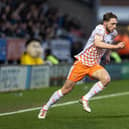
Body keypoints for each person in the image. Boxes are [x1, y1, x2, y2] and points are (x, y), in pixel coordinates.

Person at [38, 12, 125, 119]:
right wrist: (115, 47)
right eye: (112, 24)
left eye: (116, 24)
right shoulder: (99, 29)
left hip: (94, 65)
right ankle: (45, 107)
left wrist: (107, 55)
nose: (114, 26)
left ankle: (85, 98)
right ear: (105, 22)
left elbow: (109, 43)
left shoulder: (113, 33)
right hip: (82, 63)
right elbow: (98, 43)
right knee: (66, 89)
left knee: (106, 79)